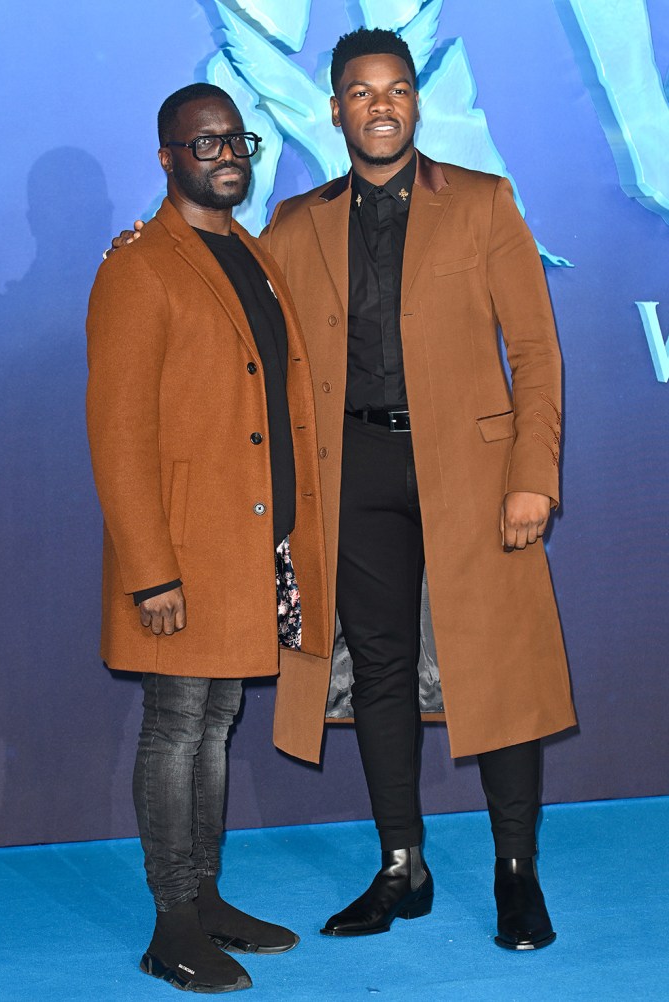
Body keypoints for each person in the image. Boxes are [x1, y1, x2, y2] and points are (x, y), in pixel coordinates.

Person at [111, 28, 576, 952]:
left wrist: (534, 477)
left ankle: (515, 872)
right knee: (381, 667)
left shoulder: (486, 203)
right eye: (361, 92)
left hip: (476, 474)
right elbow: (218, 266)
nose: (381, 106)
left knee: (502, 666)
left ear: (416, 101)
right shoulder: (295, 223)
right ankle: (402, 864)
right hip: (353, 474)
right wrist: (140, 237)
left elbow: (534, 351)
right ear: (335, 110)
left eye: (396, 89)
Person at [87, 82, 329, 993]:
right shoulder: (138, 266)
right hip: (183, 555)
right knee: (178, 726)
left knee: (218, 724)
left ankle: (206, 896)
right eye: (204, 143)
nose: (225, 154)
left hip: (251, 542)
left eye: (236, 140)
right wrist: (151, 573)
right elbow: (117, 434)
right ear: (166, 157)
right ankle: (171, 923)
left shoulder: (251, 253)